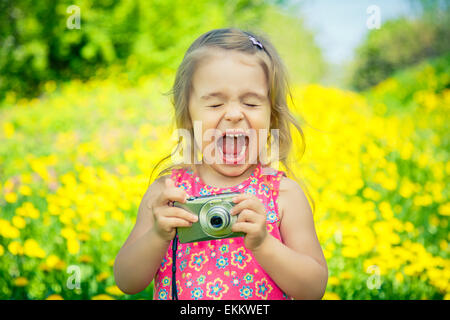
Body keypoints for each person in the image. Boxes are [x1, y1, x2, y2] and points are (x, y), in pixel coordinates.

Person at [114, 28, 328, 300]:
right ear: (188, 116)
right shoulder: (168, 193)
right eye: (215, 105)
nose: (234, 114)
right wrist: (157, 235)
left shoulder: (283, 195)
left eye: (251, 103)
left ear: (271, 116)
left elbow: (313, 289)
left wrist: (264, 244)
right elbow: (126, 281)